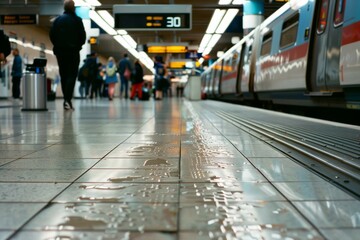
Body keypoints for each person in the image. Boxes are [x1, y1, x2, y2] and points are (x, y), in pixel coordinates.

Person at [49, 0, 86, 110]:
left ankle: (66, 98)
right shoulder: (77, 20)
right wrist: (78, 45)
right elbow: (82, 37)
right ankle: (67, 99)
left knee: (64, 74)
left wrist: (58, 45)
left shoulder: (57, 20)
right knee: (72, 75)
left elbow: (52, 35)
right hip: (73, 52)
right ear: (73, 8)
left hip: (60, 52)